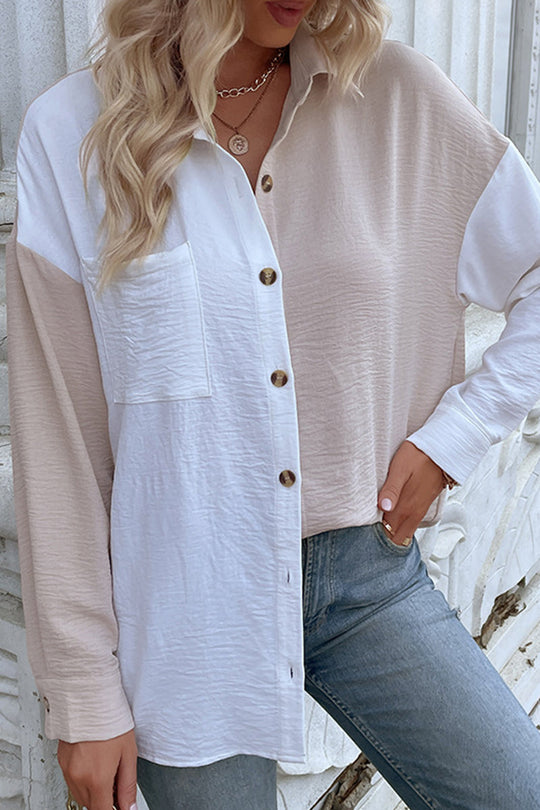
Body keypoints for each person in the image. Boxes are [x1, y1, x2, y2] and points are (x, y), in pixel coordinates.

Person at [6, 0, 540, 808]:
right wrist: (82, 693)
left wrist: (454, 437)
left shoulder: (394, 97)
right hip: (187, 613)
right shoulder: (70, 133)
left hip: (365, 576)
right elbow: (60, 443)